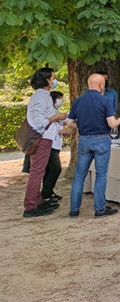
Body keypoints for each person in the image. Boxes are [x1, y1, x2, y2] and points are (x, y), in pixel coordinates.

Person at [68, 73, 120, 218]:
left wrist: (80, 126)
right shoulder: (105, 100)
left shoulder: (78, 101)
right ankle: (99, 208)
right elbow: (111, 123)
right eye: (103, 84)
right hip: (101, 139)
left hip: (84, 140)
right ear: (101, 85)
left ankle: (74, 209)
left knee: (79, 176)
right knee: (101, 175)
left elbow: (69, 123)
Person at [22, 68, 67, 218]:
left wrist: (60, 118)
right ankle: (30, 206)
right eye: (53, 78)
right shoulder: (41, 97)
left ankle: (37, 201)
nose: (54, 81)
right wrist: (56, 117)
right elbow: (39, 122)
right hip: (41, 139)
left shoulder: (44, 96)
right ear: (46, 80)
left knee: (39, 172)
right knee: (37, 172)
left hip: (45, 138)